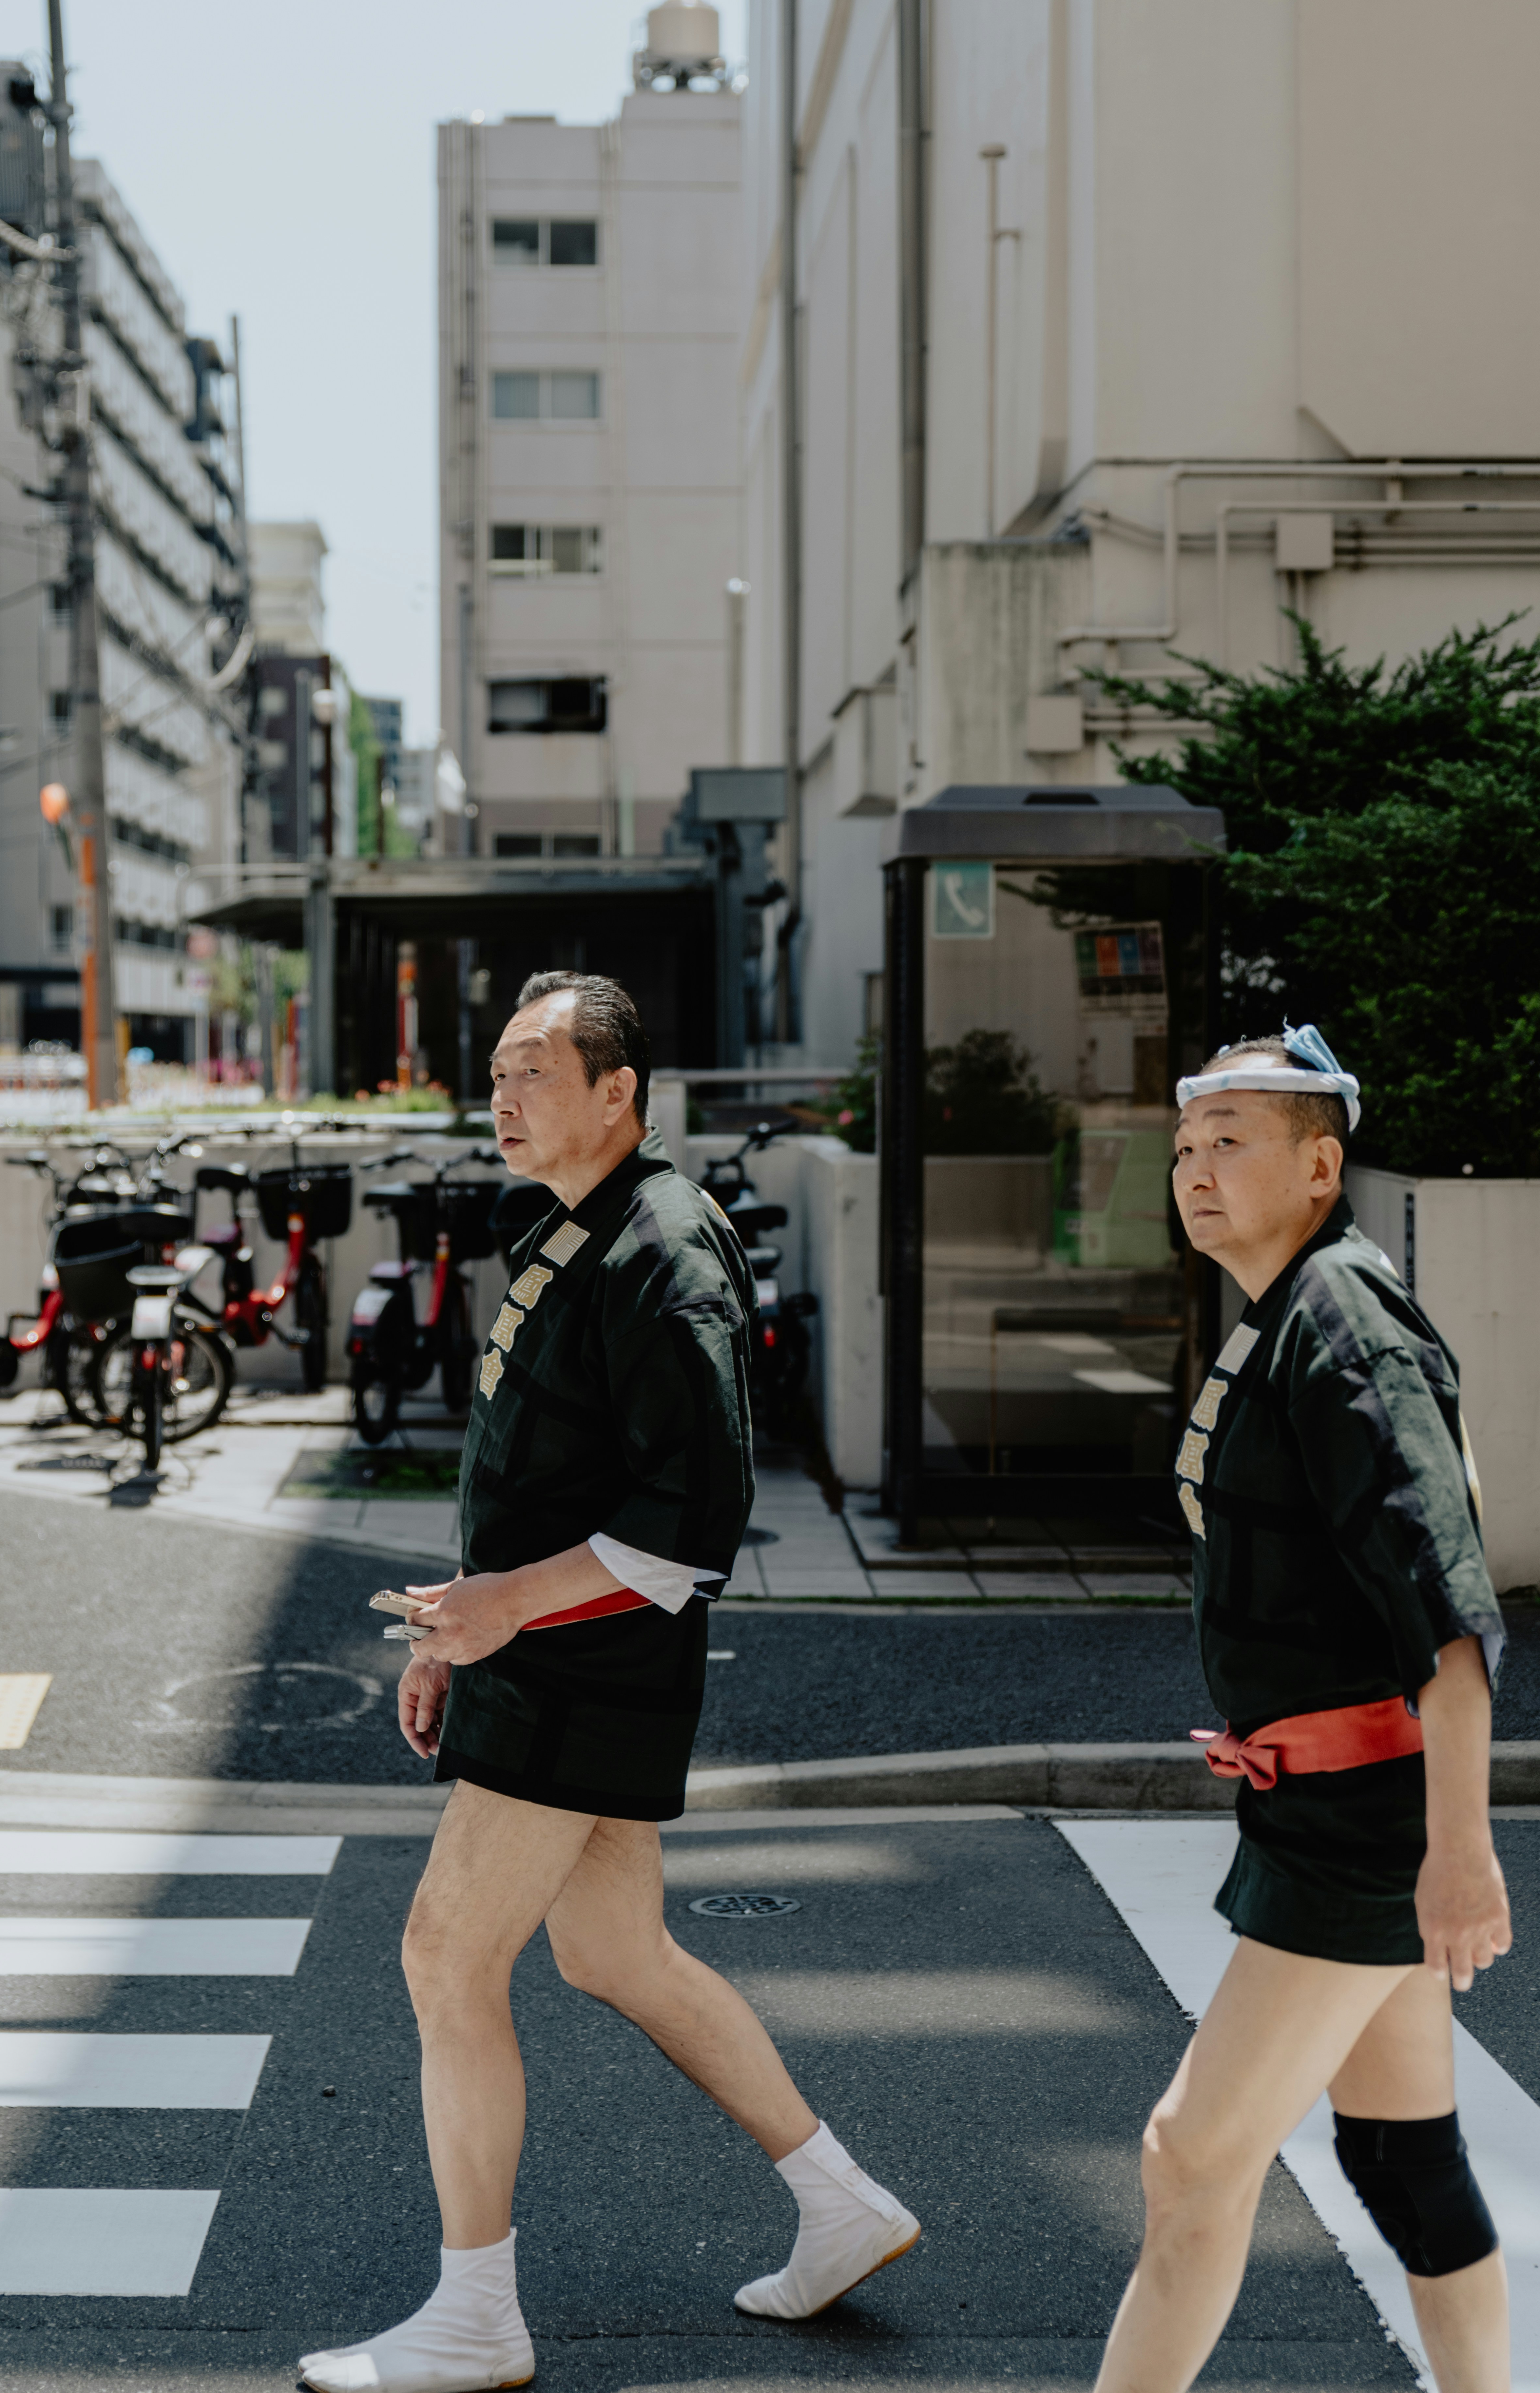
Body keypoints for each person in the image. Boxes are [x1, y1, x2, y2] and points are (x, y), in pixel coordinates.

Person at [298, 972, 918, 2393]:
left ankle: (475, 2316)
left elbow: (690, 1524)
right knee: (613, 1955)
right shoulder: (581, 1227)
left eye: (533, 1071)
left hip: (582, 1671)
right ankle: (838, 2202)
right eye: (497, 1071)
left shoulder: (664, 1248)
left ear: (617, 1093)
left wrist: (502, 1611)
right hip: (547, 1663)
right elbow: (538, 1478)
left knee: (445, 1956)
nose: (502, 1096)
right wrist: (451, 1636)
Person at [1093, 1025, 1509, 2393]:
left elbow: (1445, 1610)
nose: (1194, 1173)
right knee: (1400, 2156)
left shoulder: (1339, 1325)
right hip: (1322, 1808)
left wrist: (1458, 1853)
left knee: (1186, 2157)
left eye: (1230, 1146)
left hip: (1361, 1826)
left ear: (1318, 1167)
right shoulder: (1290, 1308)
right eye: (1184, 1150)